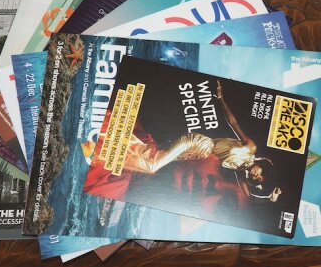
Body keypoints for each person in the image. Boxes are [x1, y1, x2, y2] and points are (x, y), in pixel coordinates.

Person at [121, 80, 282, 202]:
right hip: (199, 144)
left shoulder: (240, 172)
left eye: (257, 179)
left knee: (152, 155)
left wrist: (269, 198)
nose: (255, 176)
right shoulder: (250, 148)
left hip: (196, 156)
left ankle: (118, 144)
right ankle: (116, 148)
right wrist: (221, 99)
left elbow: (248, 196)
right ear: (263, 167)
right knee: (152, 165)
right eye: (260, 174)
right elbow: (233, 123)